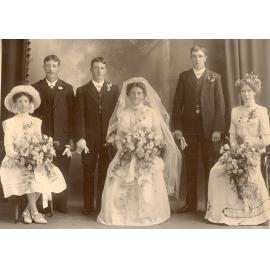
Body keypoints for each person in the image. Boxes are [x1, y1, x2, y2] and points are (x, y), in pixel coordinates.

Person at [97, 77, 182, 226]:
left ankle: (147, 215)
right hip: (126, 154)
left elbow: (158, 135)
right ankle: (120, 214)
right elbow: (119, 137)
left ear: (144, 95)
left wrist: (149, 149)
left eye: (139, 93)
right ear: (128, 95)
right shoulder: (123, 113)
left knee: (147, 177)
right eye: (133, 93)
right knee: (115, 174)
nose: (136, 97)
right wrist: (125, 150)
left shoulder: (151, 113)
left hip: (147, 154)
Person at [205, 73, 270, 225]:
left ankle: (251, 213)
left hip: (253, 153)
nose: (246, 94)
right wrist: (234, 153)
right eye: (243, 91)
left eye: (249, 91)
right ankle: (221, 212)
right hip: (236, 152)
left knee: (246, 173)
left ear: (254, 91)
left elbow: (266, 139)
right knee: (215, 172)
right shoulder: (235, 111)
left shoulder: (261, 111)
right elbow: (232, 136)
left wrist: (248, 145)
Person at [0, 85, 66, 224]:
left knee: (45, 173)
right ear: (15, 104)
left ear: (30, 104)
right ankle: (35, 212)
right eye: (19, 101)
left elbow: (38, 141)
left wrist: (41, 154)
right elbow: (8, 146)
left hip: (34, 157)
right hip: (15, 159)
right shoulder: (9, 123)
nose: (23, 104)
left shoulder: (36, 122)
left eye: (25, 101)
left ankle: (26, 211)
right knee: (30, 175)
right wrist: (20, 157)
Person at [172, 45, 225, 213]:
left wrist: (217, 129)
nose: (197, 59)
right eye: (194, 56)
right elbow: (176, 103)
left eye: (200, 56)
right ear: (191, 58)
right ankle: (191, 203)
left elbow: (220, 105)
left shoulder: (215, 77)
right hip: (188, 130)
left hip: (209, 130)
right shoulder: (184, 76)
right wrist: (177, 128)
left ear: (205, 58)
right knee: (190, 166)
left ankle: (211, 204)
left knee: (210, 166)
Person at [74, 57, 119, 215]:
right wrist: (81, 137)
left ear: (106, 70)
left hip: (108, 138)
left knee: (105, 172)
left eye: (102, 68)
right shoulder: (82, 90)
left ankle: (102, 206)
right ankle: (88, 206)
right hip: (89, 139)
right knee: (88, 171)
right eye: (96, 68)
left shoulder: (114, 89)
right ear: (91, 70)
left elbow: (117, 116)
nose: (99, 71)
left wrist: (114, 135)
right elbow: (78, 116)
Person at [33, 55, 74, 213]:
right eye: (48, 65)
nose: (51, 69)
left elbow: (72, 115)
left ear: (59, 67)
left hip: (62, 136)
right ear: (44, 67)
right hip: (42, 136)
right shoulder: (36, 87)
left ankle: (60, 204)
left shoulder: (68, 88)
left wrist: (71, 138)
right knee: (43, 170)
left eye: (54, 65)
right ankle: (43, 206)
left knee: (62, 169)